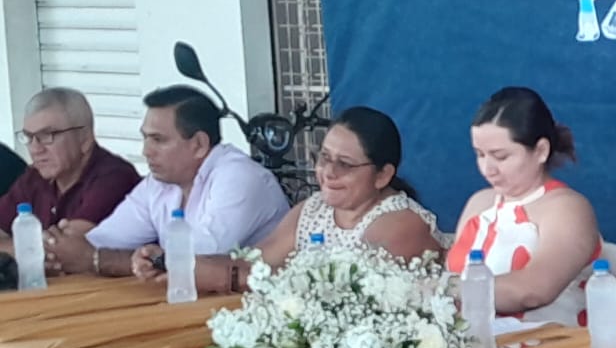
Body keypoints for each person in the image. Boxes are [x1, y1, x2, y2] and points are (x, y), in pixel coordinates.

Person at [158, 107, 442, 292]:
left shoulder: (401, 223)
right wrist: (173, 261)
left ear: (383, 175)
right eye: (324, 157)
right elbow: (252, 262)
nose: (328, 172)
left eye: (344, 164)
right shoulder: (315, 209)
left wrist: (226, 278)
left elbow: (340, 295)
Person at [43, 85, 288, 278]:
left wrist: (96, 260)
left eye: (158, 140)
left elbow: (196, 261)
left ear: (199, 144)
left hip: (252, 309)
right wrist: (57, 248)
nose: (146, 151)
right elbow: (102, 240)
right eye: (145, 138)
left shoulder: (239, 177)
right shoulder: (159, 183)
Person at [446, 87, 601, 327]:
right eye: (480, 155)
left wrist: (445, 288)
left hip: (548, 342)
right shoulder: (479, 202)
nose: (487, 169)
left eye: (501, 156)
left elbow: (535, 289)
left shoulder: (567, 208)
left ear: (541, 151)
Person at [0, 87, 141, 257]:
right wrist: (30, 249)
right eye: (29, 137)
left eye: (47, 135)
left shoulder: (113, 177)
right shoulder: (35, 176)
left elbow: (66, 252)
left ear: (84, 139)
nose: (35, 149)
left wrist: (20, 247)